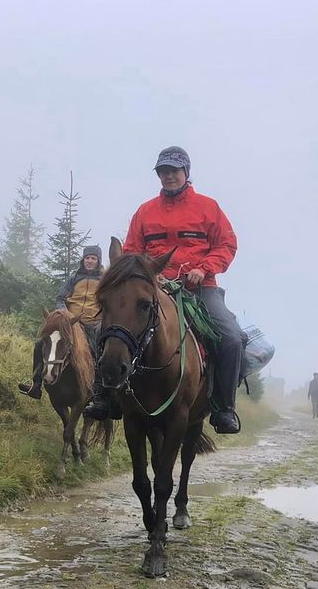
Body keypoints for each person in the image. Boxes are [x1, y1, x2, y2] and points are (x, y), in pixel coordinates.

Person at [85, 146, 244, 434]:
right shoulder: (145, 211)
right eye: (163, 172)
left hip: (199, 287)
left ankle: (223, 409)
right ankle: (105, 397)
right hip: (152, 286)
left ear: (186, 173)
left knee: (231, 338)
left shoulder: (209, 207)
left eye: (173, 171)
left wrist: (205, 268)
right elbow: (132, 251)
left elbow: (226, 245)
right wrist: (142, 276)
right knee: (102, 329)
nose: (168, 176)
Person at [18, 245, 103, 399]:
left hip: (93, 323)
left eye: (93, 258)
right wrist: (64, 315)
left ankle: (99, 392)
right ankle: (36, 384)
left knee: (99, 351)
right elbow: (60, 298)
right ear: (83, 260)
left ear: (98, 261)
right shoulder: (74, 278)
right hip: (71, 323)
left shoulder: (104, 280)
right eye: (87, 258)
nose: (89, 261)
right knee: (40, 345)